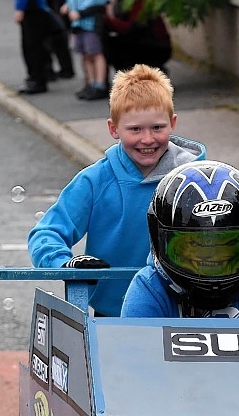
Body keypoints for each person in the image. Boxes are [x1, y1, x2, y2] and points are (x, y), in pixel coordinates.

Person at [28, 64, 207, 316]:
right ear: (114, 129)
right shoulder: (95, 180)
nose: (147, 139)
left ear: (173, 123)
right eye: (135, 129)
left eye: (157, 127)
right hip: (112, 315)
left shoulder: (198, 179)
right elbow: (46, 233)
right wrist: (66, 265)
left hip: (183, 314)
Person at [122, 162, 239, 319]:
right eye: (197, 244)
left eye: (230, 243)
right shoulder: (149, 287)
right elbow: (135, 345)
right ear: (159, 241)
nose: (213, 256)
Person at [62, 0, 110, 100]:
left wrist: (80, 12)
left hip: (89, 21)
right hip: (78, 22)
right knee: (84, 54)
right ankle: (90, 82)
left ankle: (100, 83)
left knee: (94, 52)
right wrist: (68, 6)